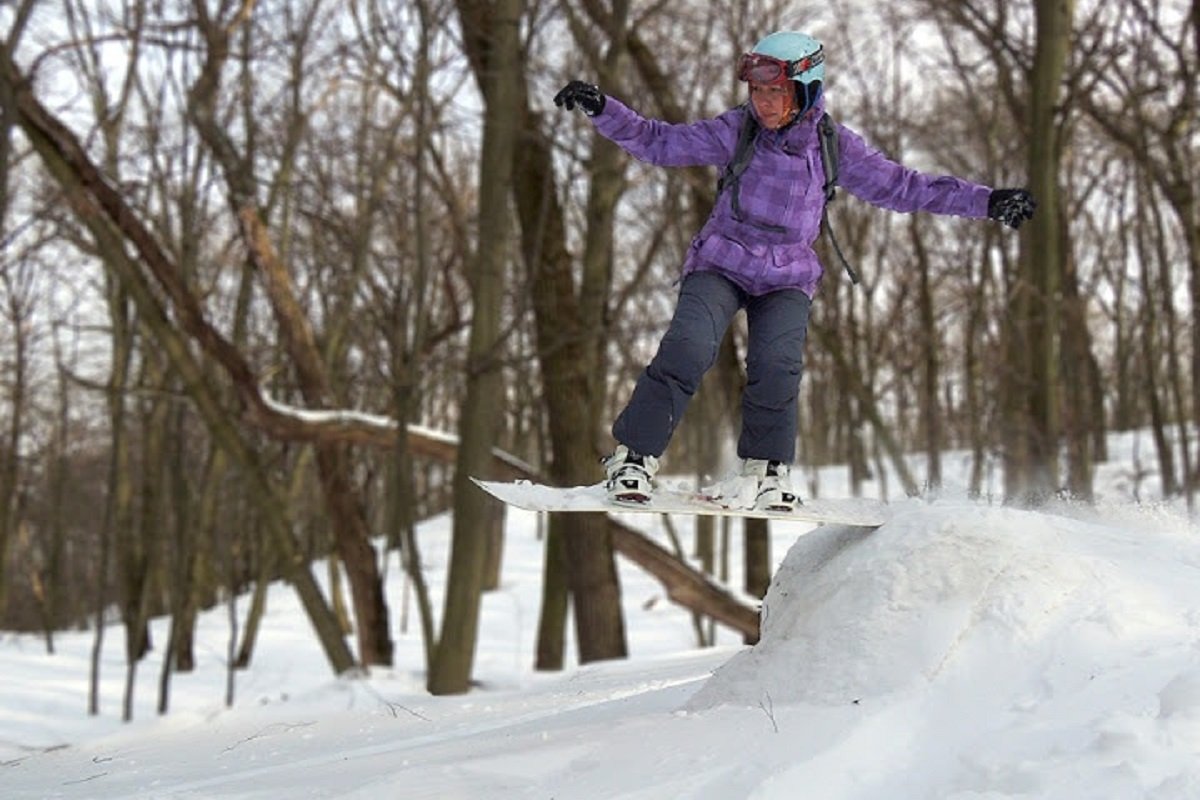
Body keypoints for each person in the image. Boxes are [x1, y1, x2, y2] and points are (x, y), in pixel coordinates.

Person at [553, 31, 1035, 511]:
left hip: (787, 276)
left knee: (777, 367)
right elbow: (661, 143)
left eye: (775, 92)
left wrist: (988, 201)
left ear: (805, 90)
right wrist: (603, 110)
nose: (763, 102)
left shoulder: (834, 146)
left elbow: (906, 188)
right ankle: (633, 458)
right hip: (722, 261)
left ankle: (765, 470)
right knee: (689, 345)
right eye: (757, 91)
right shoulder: (737, 130)